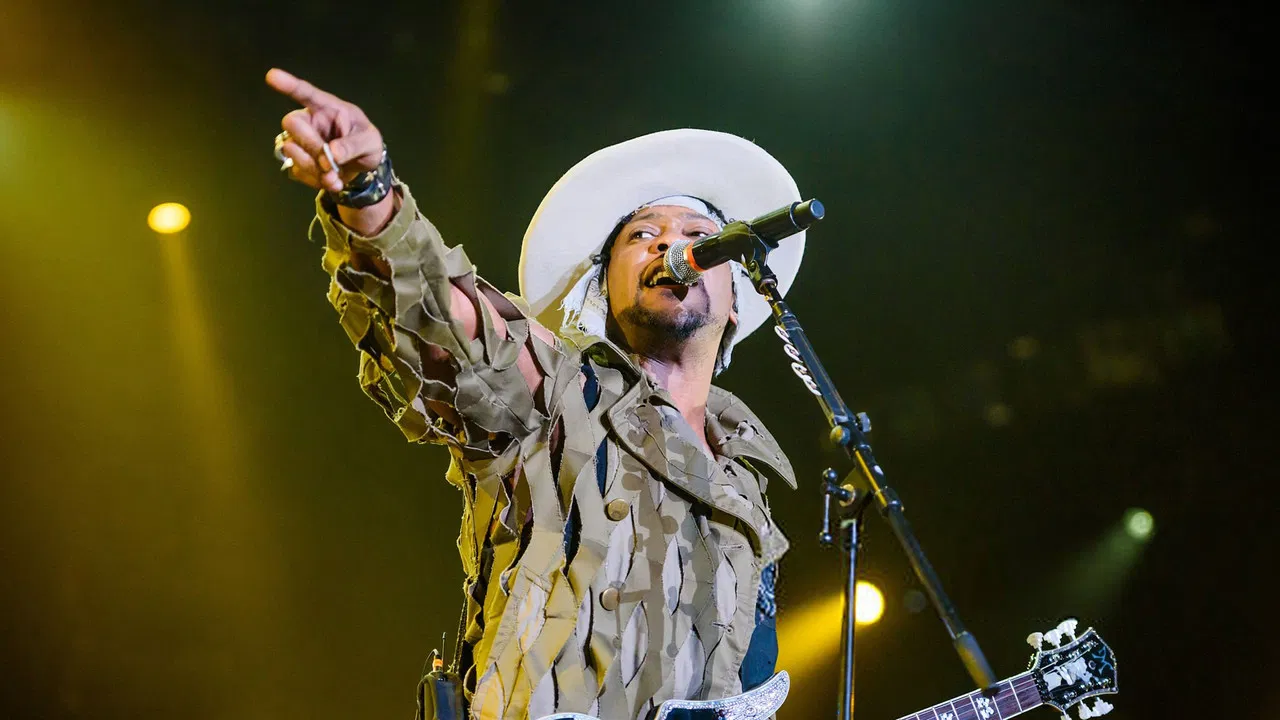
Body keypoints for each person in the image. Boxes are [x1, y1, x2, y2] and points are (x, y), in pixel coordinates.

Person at [266, 68, 809, 720]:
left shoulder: (746, 481)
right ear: (602, 292)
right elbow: (457, 326)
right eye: (643, 235)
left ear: (735, 300)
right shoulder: (559, 393)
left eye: (699, 235)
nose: (672, 243)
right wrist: (370, 196)